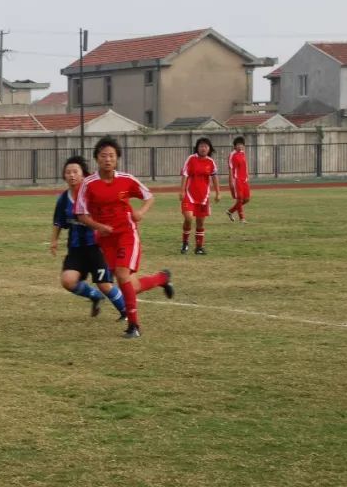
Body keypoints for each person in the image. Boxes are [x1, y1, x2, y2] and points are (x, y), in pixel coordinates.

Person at [75, 137, 174, 339]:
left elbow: (149, 196)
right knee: (129, 284)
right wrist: (98, 226)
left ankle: (134, 326)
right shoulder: (89, 184)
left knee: (121, 275)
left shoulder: (127, 179)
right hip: (105, 239)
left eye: (111, 156)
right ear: (97, 159)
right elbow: (81, 214)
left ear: (117, 159)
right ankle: (162, 278)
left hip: (127, 234)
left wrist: (141, 212)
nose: (108, 159)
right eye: (103, 156)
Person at [50, 156, 126, 319]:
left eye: (75, 172)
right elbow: (58, 221)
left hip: (97, 247)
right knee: (68, 281)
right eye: (68, 172)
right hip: (76, 249)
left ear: (83, 174)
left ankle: (126, 312)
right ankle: (95, 296)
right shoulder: (63, 199)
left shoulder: (93, 194)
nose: (71, 175)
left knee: (105, 285)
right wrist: (54, 241)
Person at [180, 137, 220, 254]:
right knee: (188, 218)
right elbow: (185, 174)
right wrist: (182, 191)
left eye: (206, 146)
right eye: (201, 146)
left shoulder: (210, 162)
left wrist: (218, 192)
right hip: (189, 195)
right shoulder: (191, 159)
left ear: (209, 149)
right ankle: (185, 243)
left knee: (200, 222)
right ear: (197, 148)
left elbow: (214, 177)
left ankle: (199, 247)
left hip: (203, 197)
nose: (203, 148)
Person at [226, 136, 251, 223]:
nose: (240, 146)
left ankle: (230, 211)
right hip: (236, 179)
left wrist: (247, 176)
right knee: (239, 198)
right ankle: (242, 218)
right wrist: (231, 181)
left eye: (241, 144)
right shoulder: (232, 155)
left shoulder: (243, 153)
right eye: (238, 144)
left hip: (245, 179)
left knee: (247, 199)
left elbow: (245, 165)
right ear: (234, 146)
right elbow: (230, 168)